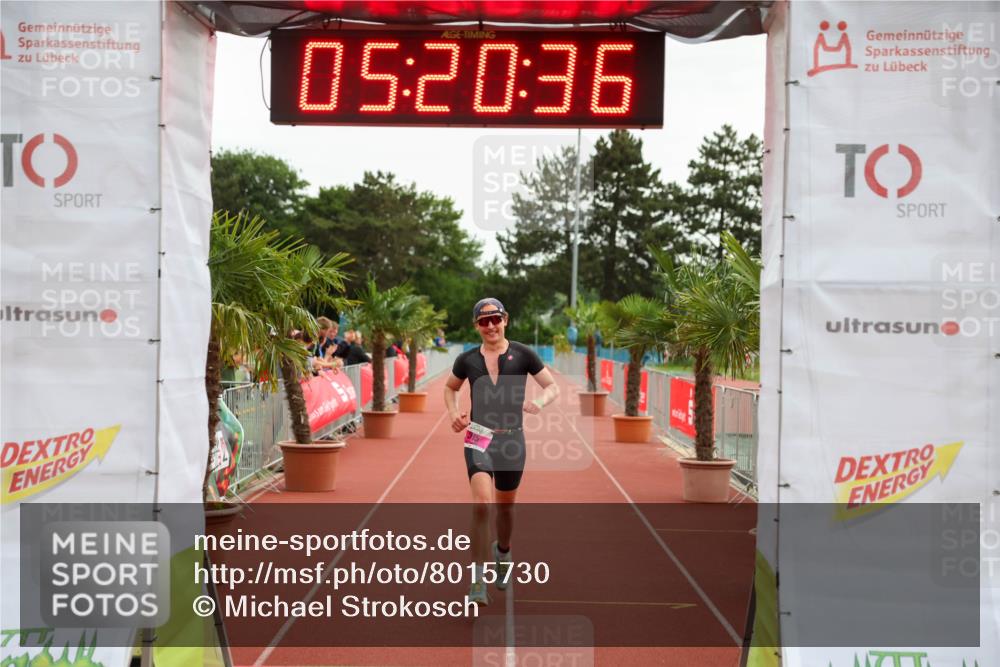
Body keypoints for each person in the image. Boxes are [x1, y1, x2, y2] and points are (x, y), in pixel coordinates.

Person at [444, 298, 558, 606]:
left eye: (495, 319)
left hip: (511, 441)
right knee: (482, 505)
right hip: (479, 437)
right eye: (484, 321)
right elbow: (449, 388)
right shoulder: (467, 359)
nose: (491, 325)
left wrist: (540, 402)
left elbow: (552, 387)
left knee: (505, 509)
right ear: (476, 326)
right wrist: (453, 412)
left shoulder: (523, 354)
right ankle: (477, 579)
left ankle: (503, 551)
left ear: (505, 319)